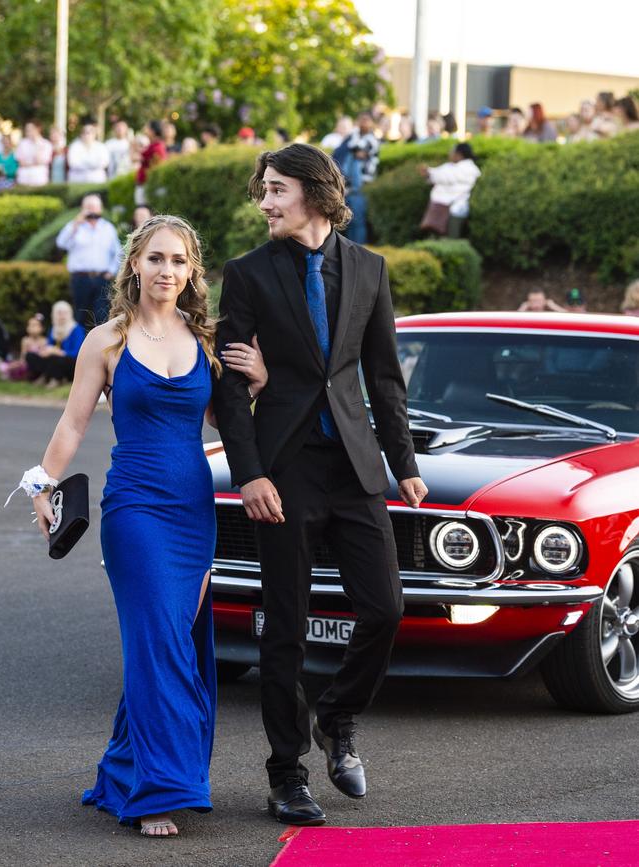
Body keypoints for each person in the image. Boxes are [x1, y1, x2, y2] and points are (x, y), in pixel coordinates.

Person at [22, 214, 267, 836]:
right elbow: (74, 423)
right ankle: (159, 792)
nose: (167, 271)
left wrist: (258, 385)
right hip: (132, 510)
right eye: (157, 259)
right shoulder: (104, 340)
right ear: (136, 263)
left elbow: (221, 419)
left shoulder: (205, 341)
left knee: (173, 643)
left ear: (192, 273)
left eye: (180, 262)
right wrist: (40, 483)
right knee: (157, 639)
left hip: (192, 511)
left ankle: (125, 770)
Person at [212, 143, 427, 827]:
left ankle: (336, 715)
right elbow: (229, 384)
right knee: (286, 628)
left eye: (276, 190)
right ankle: (286, 774)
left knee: (386, 608)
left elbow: (384, 375)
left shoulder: (369, 269)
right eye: (263, 191)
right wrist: (249, 472)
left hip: (356, 469)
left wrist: (406, 461)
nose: (265, 202)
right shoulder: (246, 274)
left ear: (314, 192)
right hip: (284, 469)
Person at [56, 194, 122, 327]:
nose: (92, 210)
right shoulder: (74, 227)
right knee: (80, 316)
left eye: (94, 207)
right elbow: (61, 243)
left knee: (101, 317)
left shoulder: (108, 228)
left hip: (101, 278)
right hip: (80, 279)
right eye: (89, 207)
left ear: (100, 209)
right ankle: (79, 346)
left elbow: (118, 252)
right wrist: (75, 224)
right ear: (82, 208)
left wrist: (111, 271)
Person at [335, 111, 380, 244]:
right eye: (361, 120)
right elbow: (344, 151)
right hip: (348, 187)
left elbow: (359, 151)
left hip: (361, 187)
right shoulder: (353, 136)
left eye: (367, 120)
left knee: (358, 221)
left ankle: (359, 250)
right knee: (347, 221)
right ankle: (349, 252)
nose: (364, 123)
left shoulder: (372, 139)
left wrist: (351, 146)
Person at [419, 142, 481, 238]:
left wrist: (429, 173)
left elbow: (446, 176)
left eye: (452, 151)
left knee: (451, 239)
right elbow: (438, 173)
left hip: (455, 210)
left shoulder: (469, 169)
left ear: (459, 154)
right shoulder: (451, 166)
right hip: (441, 209)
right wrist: (429, 172)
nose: (450, 154)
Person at [25, 301, 85, 387]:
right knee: (30, 355)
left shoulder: (76, 329)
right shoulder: (53, 329)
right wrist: (45, 351)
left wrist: (59, 352)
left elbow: (78, 352)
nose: (62, 316)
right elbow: (49, 345)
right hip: (53, 357)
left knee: (56, 359)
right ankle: (45, 376)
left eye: (65, 313)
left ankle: (56, 378)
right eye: (59, 313)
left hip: (70, 360)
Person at [0, 313, 47, 381]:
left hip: (37, 366)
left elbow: (42, 356)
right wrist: (18, 363)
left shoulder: (44, 341)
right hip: (26, 364)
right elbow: (23, 355)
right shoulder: (25, 340)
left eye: (35, 325)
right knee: (12, 366)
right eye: (30, 325)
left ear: (42, 328)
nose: (32, 328)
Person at [66, 119, 109, 184]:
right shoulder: (74, 146)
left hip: (97, 180)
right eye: (85, 132)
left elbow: (104, 162)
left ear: (94, 134)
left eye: (90, 132)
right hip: (77, 181)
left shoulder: (101, 147)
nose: (87, 135)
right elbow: (73, 163)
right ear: (81, 134)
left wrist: (85, 163)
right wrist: (92, 164)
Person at [135, 120, 166, 205]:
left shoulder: (158, 147)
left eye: (147, 128)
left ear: (153, 131)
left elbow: (156, 168)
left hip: (149, 186)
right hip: (145, 184)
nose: (145, 130)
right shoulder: (152, 146)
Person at [15, 121, 52, 186]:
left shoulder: (46, 144)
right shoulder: (22, 143)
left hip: (39, 179)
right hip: (23, 178)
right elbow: (21, 162)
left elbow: (40, 161)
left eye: (31, 129)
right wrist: (33, 163)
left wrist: (37, 144)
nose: (28, 131)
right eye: (27, 129)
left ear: (38, 129)